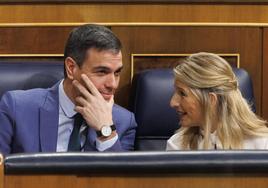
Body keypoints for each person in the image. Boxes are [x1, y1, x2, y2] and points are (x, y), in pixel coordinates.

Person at [0, 24, 137, 155]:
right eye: (101, 72)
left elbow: (119, 179)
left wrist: (106, 131)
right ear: (71, 68)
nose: (112, 84)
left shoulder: (123, 122)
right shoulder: (16, 108)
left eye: (117, 73)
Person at [166, 52, 268, 150]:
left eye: (182, 93)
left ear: (211, 100)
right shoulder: (177, 145)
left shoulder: (262, 144)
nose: (173, 102)